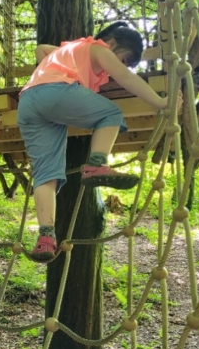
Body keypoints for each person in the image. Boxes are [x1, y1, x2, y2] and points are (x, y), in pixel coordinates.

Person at [17, 21, 168, 261]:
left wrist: (48, 68)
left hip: (28, 102)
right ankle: (97, 163)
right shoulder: (99, 49)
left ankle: (46, 237)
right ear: (113, 43)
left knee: (47, 174)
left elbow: (41, 49)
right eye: (124, 58)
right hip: (56, 92)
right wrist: (161, 103)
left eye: (126, 63)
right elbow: (126, 79)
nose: (121, 66)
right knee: (110, 114)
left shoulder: (69, 50)